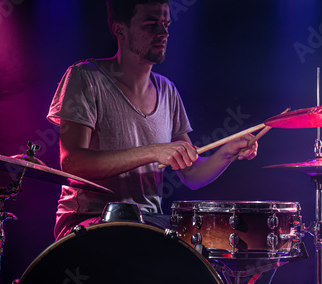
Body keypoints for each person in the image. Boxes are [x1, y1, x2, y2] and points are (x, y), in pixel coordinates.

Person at [47, 0, 258, 240]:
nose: (163, 33)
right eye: (151, 25)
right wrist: (153, 152)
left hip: (146, 221)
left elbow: (191, 174)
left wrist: (226, 153)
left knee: (210, 245)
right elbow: (73, 162)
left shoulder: (167, 91)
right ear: (120, 30)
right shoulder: (85, 78)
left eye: (166, 24)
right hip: (88, 220)